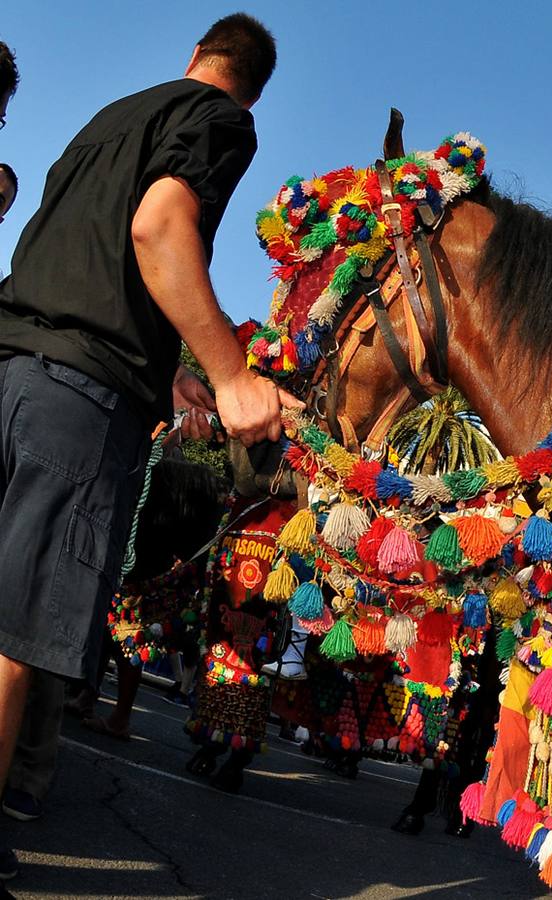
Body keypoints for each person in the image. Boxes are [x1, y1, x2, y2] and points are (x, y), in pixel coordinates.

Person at [0, 15, 289, 882]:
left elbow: (69, 259)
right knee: (15, 636)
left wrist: (175, 377)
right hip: (77, 404)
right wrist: (233, 375)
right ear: (253, 84)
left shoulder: (111, 116)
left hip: (12, 365)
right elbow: (160, 230)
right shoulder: (223, 119)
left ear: (194, 55)